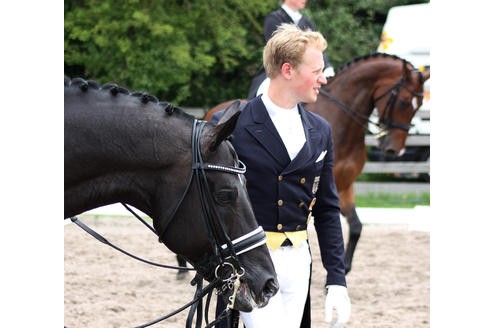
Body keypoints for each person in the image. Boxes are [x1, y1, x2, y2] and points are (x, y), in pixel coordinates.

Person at [212, 24, 350, 328]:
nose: (324, 78)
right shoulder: (233, 125)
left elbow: (327, 208)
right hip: (249, 262)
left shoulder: (320, 130)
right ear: (288, 70)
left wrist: (337, 279)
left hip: (299, 260)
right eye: (316, 70)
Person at [247, 0, 335, 99]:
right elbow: (278, 51)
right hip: (277, 70)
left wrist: (327, 66)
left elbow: (317, 47)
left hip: (305, 69)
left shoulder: (306, 21)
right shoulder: (274, 18)